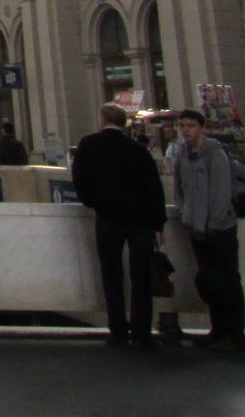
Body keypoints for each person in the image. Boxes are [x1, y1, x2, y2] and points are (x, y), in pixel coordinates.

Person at [72, 102, 167, 349]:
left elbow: (80, 179)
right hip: (141, 221)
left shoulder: (89, 145)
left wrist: (93, 202)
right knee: (141, 277)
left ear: (103, 120)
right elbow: (153, 189)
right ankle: (141, 333)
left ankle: (118, 331)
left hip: (109, 219)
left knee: (111, 274)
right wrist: (158, 224)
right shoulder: (138, 150)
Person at [172, 107, 245, 351]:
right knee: (210, 280)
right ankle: (218, 329)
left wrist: (213, 223)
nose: (186, 130)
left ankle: (234, 333)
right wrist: (185, 213)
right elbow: (178, 187)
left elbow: (221, 192)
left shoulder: (215, 154)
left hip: (220, 228)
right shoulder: (182, 153)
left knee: (227, 279)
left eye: (191, 126)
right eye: (182, 126)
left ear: (202, 128)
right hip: (196, 227)